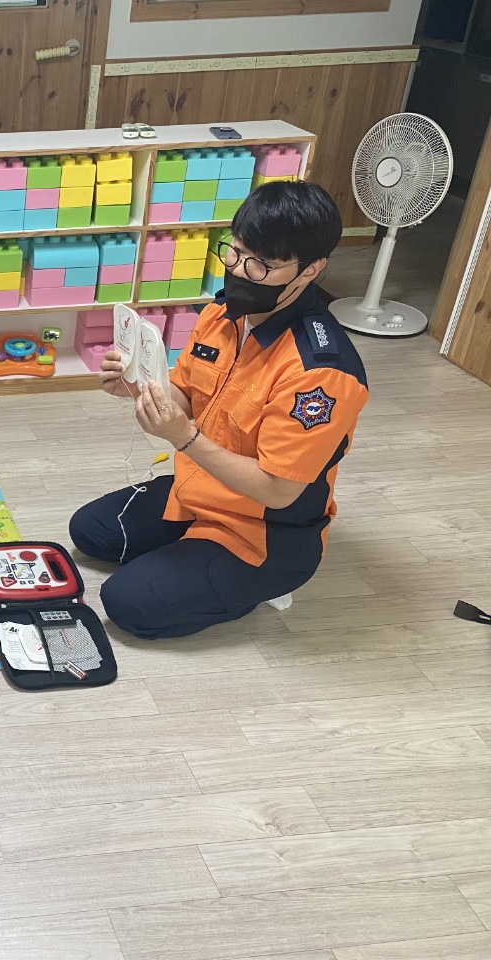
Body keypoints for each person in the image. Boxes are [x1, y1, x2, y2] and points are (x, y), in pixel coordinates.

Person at [69, 181, 369, 639]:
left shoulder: (320, 373)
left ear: (311, 270)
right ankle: (188, 555)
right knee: (89, 531)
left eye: (262, 265)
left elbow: (277, 490)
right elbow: (186, 395)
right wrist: (134, 386)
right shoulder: (222, 315)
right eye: (236, 251)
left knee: (125, 603)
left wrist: (184, 438)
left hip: (264, 532)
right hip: (200, 491)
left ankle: (262, 585)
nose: (240, 270)